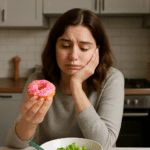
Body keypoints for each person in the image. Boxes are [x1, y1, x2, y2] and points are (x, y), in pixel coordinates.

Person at [6, 8, 124, 150]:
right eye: (65, 46)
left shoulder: (112, 79)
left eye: (84, 48)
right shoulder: (38, 81)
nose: (73, 56)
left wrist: (76, 84)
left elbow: (105, 145)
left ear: (97, 51)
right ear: (54, 46)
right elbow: (13, 145)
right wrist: (28, 121)